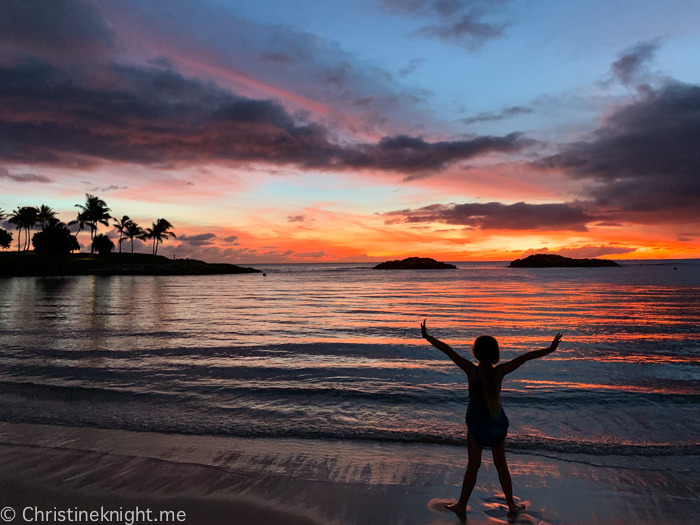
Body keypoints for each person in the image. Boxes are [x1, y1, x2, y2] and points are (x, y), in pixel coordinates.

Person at [420, 319, 562, 519]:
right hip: (495, 425)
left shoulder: (471, 371)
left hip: (477, 425)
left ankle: (462, 505)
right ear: (495, 354)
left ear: (476, 353)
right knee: (501, 465)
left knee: (473, 466)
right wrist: (549, 349)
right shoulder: (500, 372)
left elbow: (449, 351)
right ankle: (512, 505)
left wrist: (428, 337)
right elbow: (525, 357)